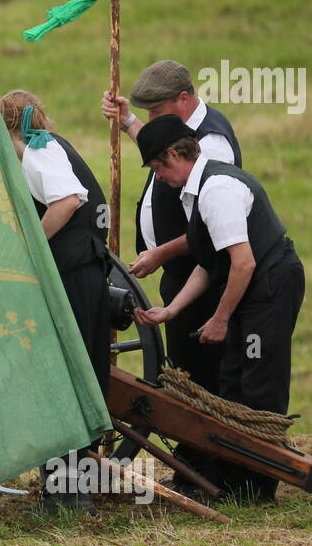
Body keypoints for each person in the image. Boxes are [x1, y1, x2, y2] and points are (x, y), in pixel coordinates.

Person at [132, 115, 305, 502]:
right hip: (252, 283)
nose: (157, 177)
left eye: (159, 167)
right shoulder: (195, 192)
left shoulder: (217, 190)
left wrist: (220, 319)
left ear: (176, 155)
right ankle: (231, 477)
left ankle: (257, 486)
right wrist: (171, 310)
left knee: (259, 383)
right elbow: (210, 264)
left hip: (271, 285)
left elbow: (242, 263)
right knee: (231, 380)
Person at [101, 60, 241, 396]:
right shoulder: (181, 130)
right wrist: (128, 122)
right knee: (184, 372)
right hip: (179, 275)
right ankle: (192, 448)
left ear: (182, 98)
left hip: (203, 278)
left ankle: (205, 446)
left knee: (202, 376)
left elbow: (210, 227)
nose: (150, 120)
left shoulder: (213, 142)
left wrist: (160, 253)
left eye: (155, 111)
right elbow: (163, 153)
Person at [0, 90, 110, 512]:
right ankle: (68, 491)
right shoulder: (51, 144)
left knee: (61, 380)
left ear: (6, 127)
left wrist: (32, 247)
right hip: (82, 270)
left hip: (70, 276)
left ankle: (67, 495)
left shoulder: (37, 150)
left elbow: (66, 201)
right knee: (74, 378)